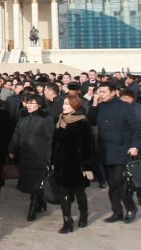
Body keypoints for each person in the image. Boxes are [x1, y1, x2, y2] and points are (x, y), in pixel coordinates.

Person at [88, 82, 141, 224]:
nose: (101, 94)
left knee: (120, 182)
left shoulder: (125, 107)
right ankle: (117, 211)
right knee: (112, 184)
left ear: (113, 92)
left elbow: (137, 129)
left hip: (121, 150)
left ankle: (131, 208)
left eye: (104, 92)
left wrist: (135, 146)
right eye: (99, 92)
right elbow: (91, 121)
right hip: (105, 151)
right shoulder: (100, 106)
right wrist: (94, 105)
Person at [50, 93, 96, 233]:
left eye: (67, 104)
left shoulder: (82, 122)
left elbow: (87, 146)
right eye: (64, 104)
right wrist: (53, 161)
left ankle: (83, 215)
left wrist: (86, 167)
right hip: (61, 164)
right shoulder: (61, 119)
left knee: (79, 193)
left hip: (76, 165)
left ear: (74, 105)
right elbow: (55, 143)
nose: (64, 106)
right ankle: (67, 221)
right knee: (64, 193)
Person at [9, 91, 54, 221]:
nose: (28, 105)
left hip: (39, 155)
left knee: (36, 181)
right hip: (24, 154)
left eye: (31, 103)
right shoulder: (23, 116)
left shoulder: (46, 118)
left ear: (39, 105)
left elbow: (50, 139)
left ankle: (33, 208)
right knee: (28, 182)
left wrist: (49, 158)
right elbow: (17, 133)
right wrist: (12, 148)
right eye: (27, 103)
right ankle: (41, 200)